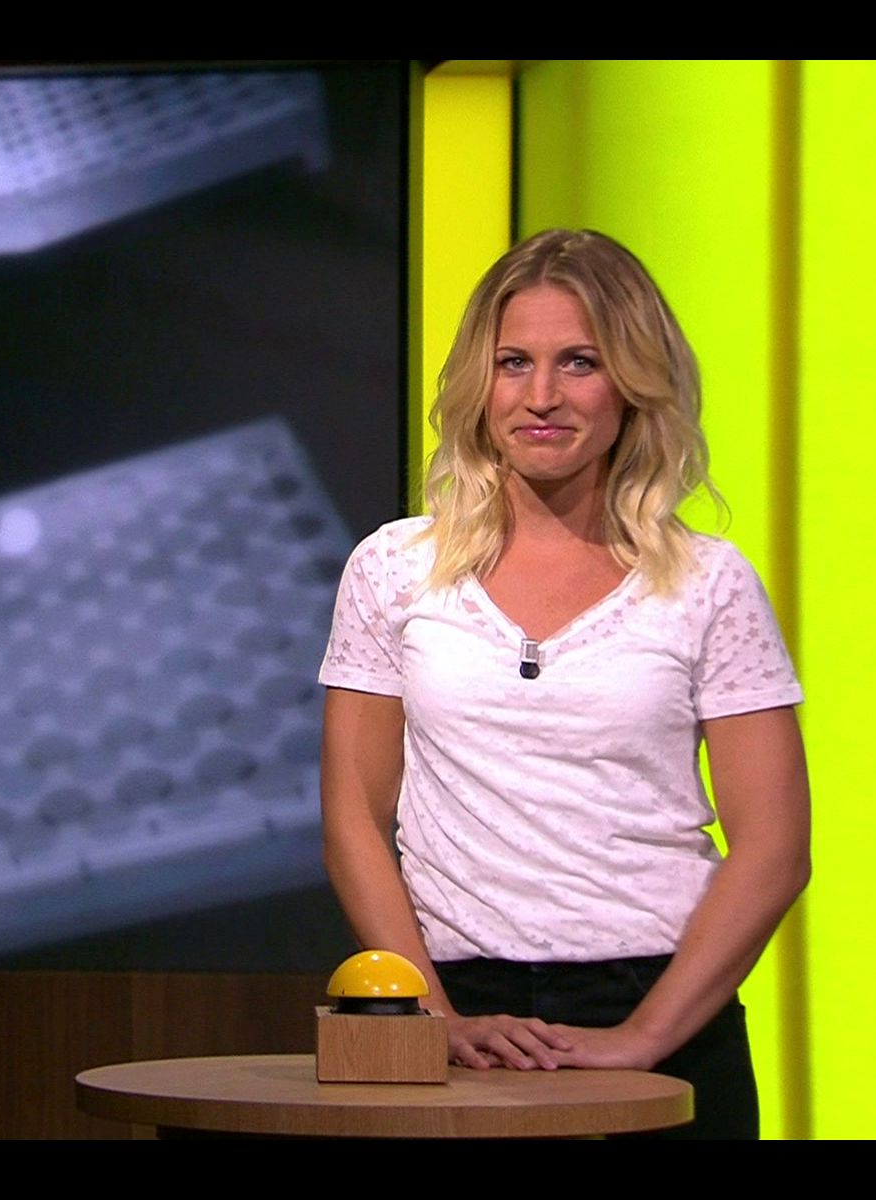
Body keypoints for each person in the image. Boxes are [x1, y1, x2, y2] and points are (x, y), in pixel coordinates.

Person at [317, 228, 811, 1139]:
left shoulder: (708, 582)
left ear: (633, 382)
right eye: (515, 363)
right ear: (480, 382)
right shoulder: (392, 568)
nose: (541, 396)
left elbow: (775, 846)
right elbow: (353, 815)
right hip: (451, 1010)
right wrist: (430, 1017)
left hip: (663, 1006)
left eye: (579, 362)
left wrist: (643, 1038)